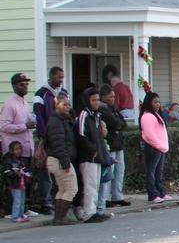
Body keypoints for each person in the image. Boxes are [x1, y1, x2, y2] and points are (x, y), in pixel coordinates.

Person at [1, 73, 39, 216]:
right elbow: (4, 126)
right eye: (21, 84)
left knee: (26, 180)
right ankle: (13, 211)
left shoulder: (24, 102)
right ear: (14, 86)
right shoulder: (9, 105)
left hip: (27, 149)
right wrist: (24, 125)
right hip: (14, 152)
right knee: (15, 182)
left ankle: (24, 208)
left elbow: (29, 122)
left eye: (26, 84)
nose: (25, 86)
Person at [32, 67, 69, 213]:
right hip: (47, 137)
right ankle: (46, 202)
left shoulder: (64, 93)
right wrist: (43, 136)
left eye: (62, 77)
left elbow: (68, 112)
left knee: (61, 169)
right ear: (51, 76)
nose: (61, 80)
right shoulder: (41, 94)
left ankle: (60, 200)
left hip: (61, 136)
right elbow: (39, 116)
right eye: (59, 77)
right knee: (45, 171)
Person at [74, 87, 110, 223]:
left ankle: (94, 210)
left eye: (98, 100)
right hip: (88, 157)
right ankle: (89, 212)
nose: (96, 103)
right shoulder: (84, 115)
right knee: (90, 185)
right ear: (87, 101)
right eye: (93, 100)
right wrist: (93, 149)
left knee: (95, 184)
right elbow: (81, 136)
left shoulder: (96, 115)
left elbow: (100, 136)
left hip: (97, 156)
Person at [43, 96, 78, 226]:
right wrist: (65, 162)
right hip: (59, 160)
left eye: (68, 105)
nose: (67, 107)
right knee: (71, 188)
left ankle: (58, 218)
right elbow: (58, 144)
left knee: (63, 189)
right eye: (64, 104)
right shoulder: (56, 122)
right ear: (56, 105)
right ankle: (60, 217)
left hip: (56, 159)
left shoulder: (60, 120)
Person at [97, 84, 130, 210]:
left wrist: (118, 124)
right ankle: (106, 198)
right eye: (111, 96)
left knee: (120, 170)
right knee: (109, 172)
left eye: (114, 96)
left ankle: (117, 196)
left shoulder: (114, 108)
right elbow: (114, 122)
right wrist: (118, 124)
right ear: (103, 97)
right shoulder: (102, 109)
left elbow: (123, 123)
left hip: (118, 143)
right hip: (110, 143)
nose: (113, 99)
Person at [140, 92, 170, 204]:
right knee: (151, 171)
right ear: (149, 103)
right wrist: (160, 145)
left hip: (160, 148)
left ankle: (160, 192)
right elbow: (149, 134)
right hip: (153, 148)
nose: (158, 104)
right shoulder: (147, 116)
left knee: (159, 171)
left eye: (158, 102)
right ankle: (153, 194)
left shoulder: (157, 114)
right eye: (155, 102)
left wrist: (163, 146)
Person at [2, 141, 32, 222]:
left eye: (20, 148)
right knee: (17, 201)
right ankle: (15, 217)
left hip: (22, 184)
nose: (19, 150)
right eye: (16, 149)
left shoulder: (20, 160)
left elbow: (24, 169)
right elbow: (7, 172)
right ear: (11, 151)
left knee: (22, 201)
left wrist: (29, 174)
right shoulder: (8, 161)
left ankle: (21, 215)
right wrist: (16, 174)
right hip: (14, 184)